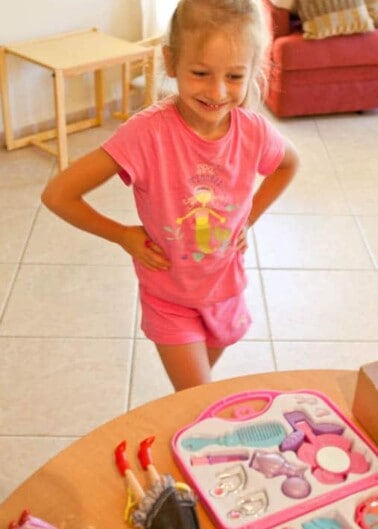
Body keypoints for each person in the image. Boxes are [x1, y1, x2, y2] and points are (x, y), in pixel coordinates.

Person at [41, 0, 299, 391]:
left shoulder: (254, 132)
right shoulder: (146, 134)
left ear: (252, 72)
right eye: (200, 73)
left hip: (225, 288)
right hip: (169, 295)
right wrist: (122, 235)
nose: (217, 92)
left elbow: (288, 165)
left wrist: (249, 218)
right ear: (171, 61)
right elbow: (59, 194)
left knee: (198, 390)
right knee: (197, 395)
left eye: (233, 76)